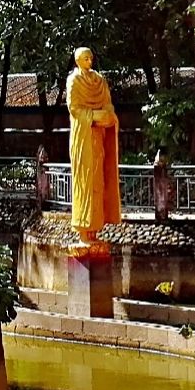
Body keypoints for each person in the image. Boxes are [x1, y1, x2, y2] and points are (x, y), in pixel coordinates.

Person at [66, 47, 121, 244]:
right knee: (84, 184)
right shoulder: (74, 80)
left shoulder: (99, 80)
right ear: (77, 61)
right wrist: (94, 116)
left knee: (98, 182)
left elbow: (108, 104)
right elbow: (74, 108)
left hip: (98, 139)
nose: (89, 61)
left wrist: (107, 115)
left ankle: (95, 231)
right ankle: (82, 232)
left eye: (91, 58)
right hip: (83, 137)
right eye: (85, 59)